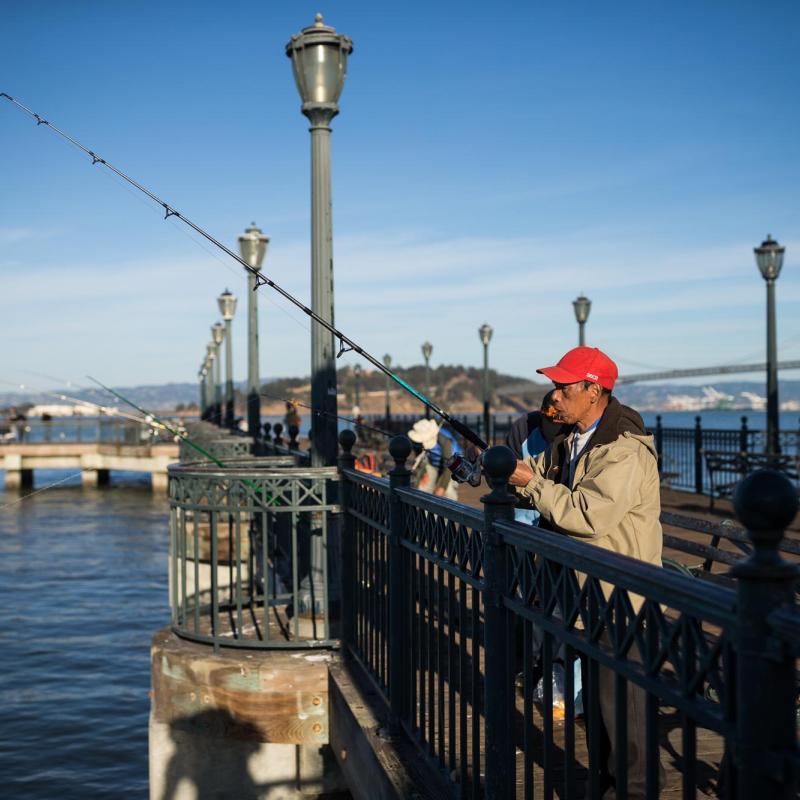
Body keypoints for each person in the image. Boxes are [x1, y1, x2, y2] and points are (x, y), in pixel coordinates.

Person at [508, 346, 663, 799]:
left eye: (564, 385)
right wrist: (506, 472)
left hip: (622, 596)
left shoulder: (624, 450)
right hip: (587, 593)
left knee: (625, 715)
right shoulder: (572, 440)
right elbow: (539, 482)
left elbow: (588, 514)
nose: (555, 393)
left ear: (594, 391)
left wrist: (531, 484)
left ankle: (633, 792)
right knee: (598, 709)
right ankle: (605, 786)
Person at [505, 390, 568, 524]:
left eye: (561, 429)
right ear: (542, 413)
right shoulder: (523, 428)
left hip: (560, 522)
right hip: (522, 523)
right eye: (551, 427)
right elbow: (506, 481)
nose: (555, 436)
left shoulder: (577, 432)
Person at [407, 418, 460, 500]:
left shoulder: (445, 441)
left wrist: (442, 487)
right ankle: (423, 511)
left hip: (450, 467)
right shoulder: (418, 442)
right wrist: (424, 473)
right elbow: (420, 457)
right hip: (432, 464)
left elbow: (448, 468)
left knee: (448, 493)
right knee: (423, 488)